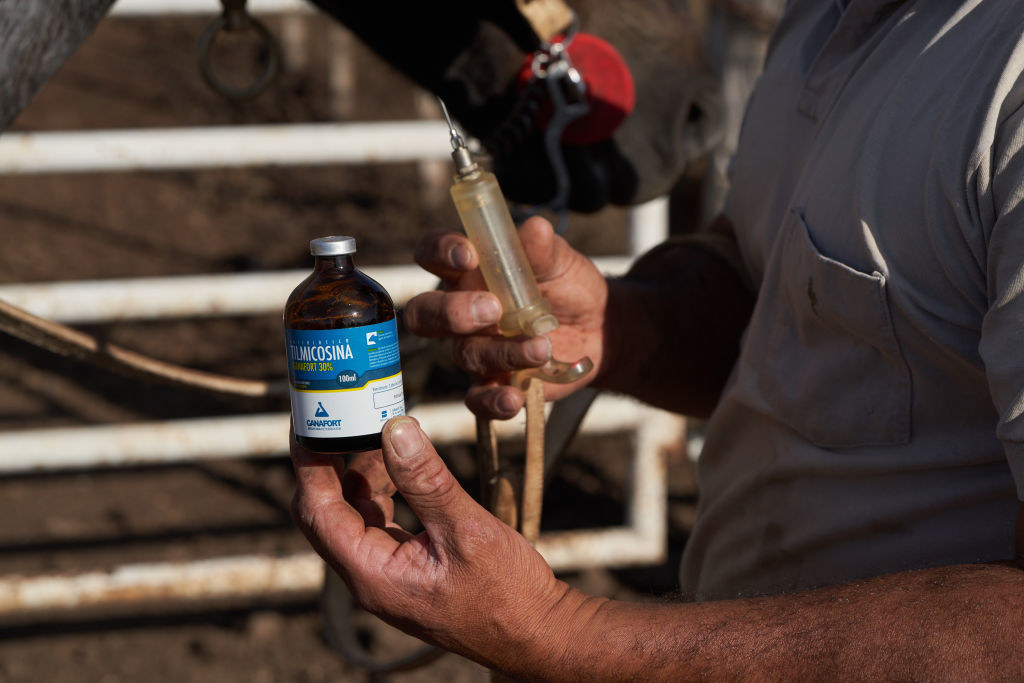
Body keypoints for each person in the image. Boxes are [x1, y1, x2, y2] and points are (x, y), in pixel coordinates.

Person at [290, 0, 1024, 677]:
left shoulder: (1005, 73)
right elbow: (775, 295)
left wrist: (562, 635)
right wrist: (622, 325)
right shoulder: (823, 19)